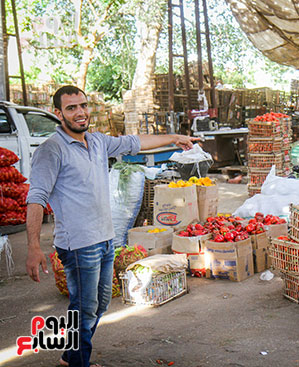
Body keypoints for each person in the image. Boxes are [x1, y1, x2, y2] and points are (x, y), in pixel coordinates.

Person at [25, 85, 200, 367]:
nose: (80, 112)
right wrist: (33, 246)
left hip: (106, 239)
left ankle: (70, 357)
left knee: (100, 304)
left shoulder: (97, 142)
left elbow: (136, 142)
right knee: (84, 309)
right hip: (78, 244)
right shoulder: (51, 150)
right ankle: (79, 363)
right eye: (71, 108)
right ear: (57, 113)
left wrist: (175, 138)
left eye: (83, 105)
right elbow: (36, 197)